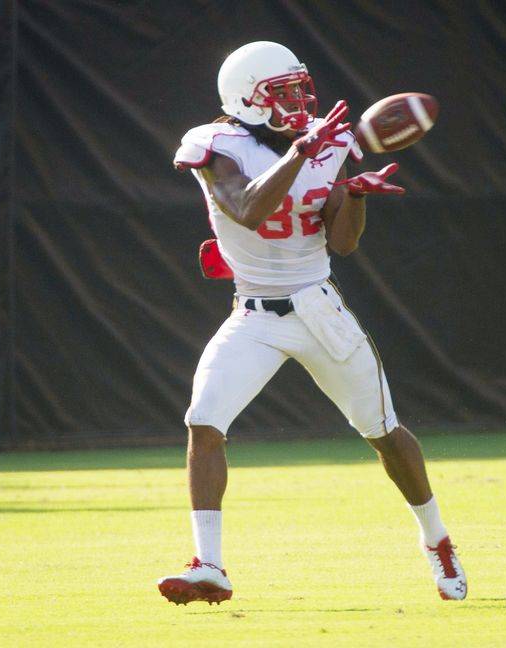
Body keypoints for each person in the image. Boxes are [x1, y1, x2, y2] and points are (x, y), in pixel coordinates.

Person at [157, 41, 466, 604]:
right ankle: (209, 564)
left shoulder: (328, 139)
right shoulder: (214, 144)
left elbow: (343, 243)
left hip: (317, 308)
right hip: (253, 314)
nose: (299, 100)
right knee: (204, 419)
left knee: (384, 434)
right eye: (283, 92)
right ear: (247, 99)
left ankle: (437, 541)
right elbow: (247, 209)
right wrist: (302, 152)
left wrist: (355, 193)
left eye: (301, 88)